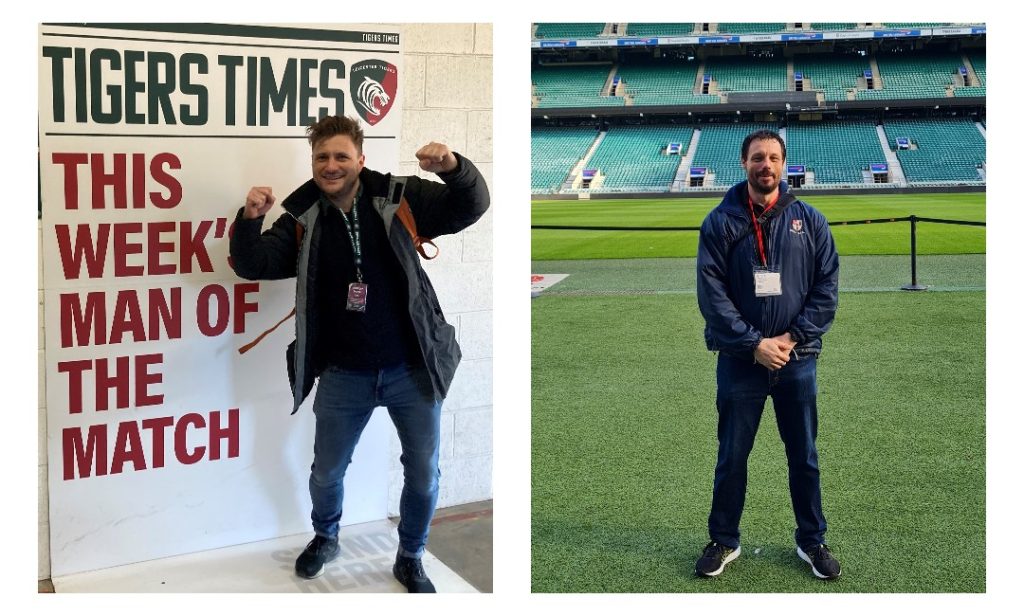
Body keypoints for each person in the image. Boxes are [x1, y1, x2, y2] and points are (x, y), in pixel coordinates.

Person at [230, 115, 489, 592]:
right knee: (327, 471)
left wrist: (453, 167)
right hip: (343, 374)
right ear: (313, 162)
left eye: (340, 156)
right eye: (322, 157)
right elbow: (253, 264)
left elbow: (469, 207)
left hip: (412, 368)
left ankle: (410, 555)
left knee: (423, 473)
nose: (331, 165)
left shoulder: (400, 196)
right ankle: (325, 536)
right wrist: (249, 220)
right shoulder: (302, 219)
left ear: (360, 159)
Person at [694, 129, 841, 580]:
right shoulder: (721, 222)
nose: (766, 165)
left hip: (798, 361)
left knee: (805, 456)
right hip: (741, 363)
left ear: (783, 164)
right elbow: (712, 296)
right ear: (744, 163)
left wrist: (791, 339)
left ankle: (812, 540)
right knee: (732, 456)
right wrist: (753, 344)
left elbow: (826, 288)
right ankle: (723, 539)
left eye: (774, 157)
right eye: (758, 157)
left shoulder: (810, 220)